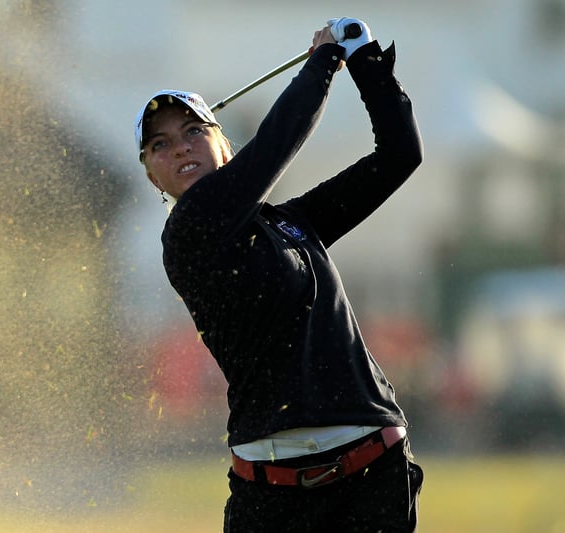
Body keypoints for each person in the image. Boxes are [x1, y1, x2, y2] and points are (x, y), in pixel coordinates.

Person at [134, 18, 424, 531]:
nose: (179, 147)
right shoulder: (188, 232)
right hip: (271, 493)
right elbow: (275, 145)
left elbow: (399, 155)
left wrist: (363, 57)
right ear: (153, 175)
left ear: (224, 146)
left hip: (372, 473)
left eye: (194, 131)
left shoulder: (293, 223)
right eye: (160, 144)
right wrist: (322, 62)